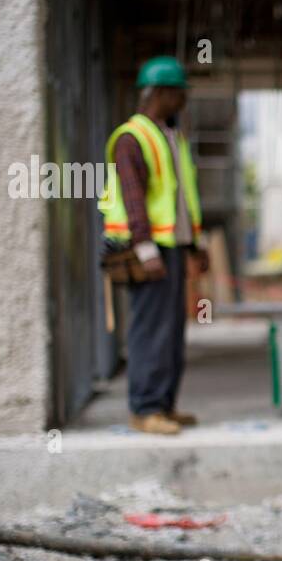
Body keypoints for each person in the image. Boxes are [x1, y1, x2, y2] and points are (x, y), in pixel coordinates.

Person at [99, 56, 208, 436]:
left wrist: (196, 244)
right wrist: (145, 249)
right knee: (150, 330)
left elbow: (183, 197)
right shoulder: (133, 137)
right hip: (150, 250)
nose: (184, 102)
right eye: (179, 95)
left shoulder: (170, 136)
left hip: (172, 246)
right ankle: (145, 409)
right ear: (160, 93)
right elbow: (133, 198)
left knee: (172, 330)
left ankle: (164, 404)